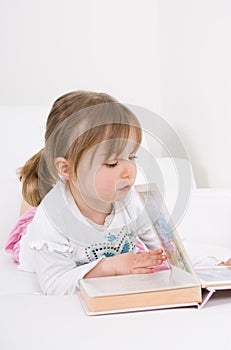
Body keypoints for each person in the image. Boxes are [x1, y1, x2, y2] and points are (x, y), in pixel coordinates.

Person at [5, 90, 167, 295]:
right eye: (112, 163)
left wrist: (212, 267)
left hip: (108, 244)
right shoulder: (51, 221)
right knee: (32, 220)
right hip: (46, 236)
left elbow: (169, 251)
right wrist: (110, 267)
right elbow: (54, 285)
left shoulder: (130, 201)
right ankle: (34, 185)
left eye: (132, 157)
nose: (129, 171)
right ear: (67, 169)